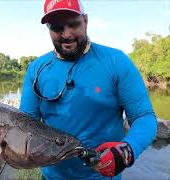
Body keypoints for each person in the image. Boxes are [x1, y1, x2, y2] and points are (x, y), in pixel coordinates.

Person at [19, 0, 157, 179]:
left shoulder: (116, 62)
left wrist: (127, 150)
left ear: (85, 21)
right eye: (57, 27)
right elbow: (24, 125)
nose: (66, 34)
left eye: (73, 24)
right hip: (52, 176)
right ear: (48, 29)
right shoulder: (36, 69)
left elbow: (144, 117)